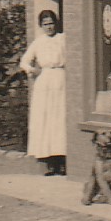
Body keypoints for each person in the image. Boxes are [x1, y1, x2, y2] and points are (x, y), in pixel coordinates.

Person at [17, 10, 67, 176]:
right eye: (45, 24)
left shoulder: (63, 39)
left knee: (60, 119)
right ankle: (50, 162)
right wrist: (33, 70)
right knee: (46, 119)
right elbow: (24, 61)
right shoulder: (38, 42)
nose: (49, 27)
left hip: (61, 79)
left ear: (56, 23)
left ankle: (63, 161)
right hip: (44, 81)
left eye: (51, 23)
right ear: (41, 26)